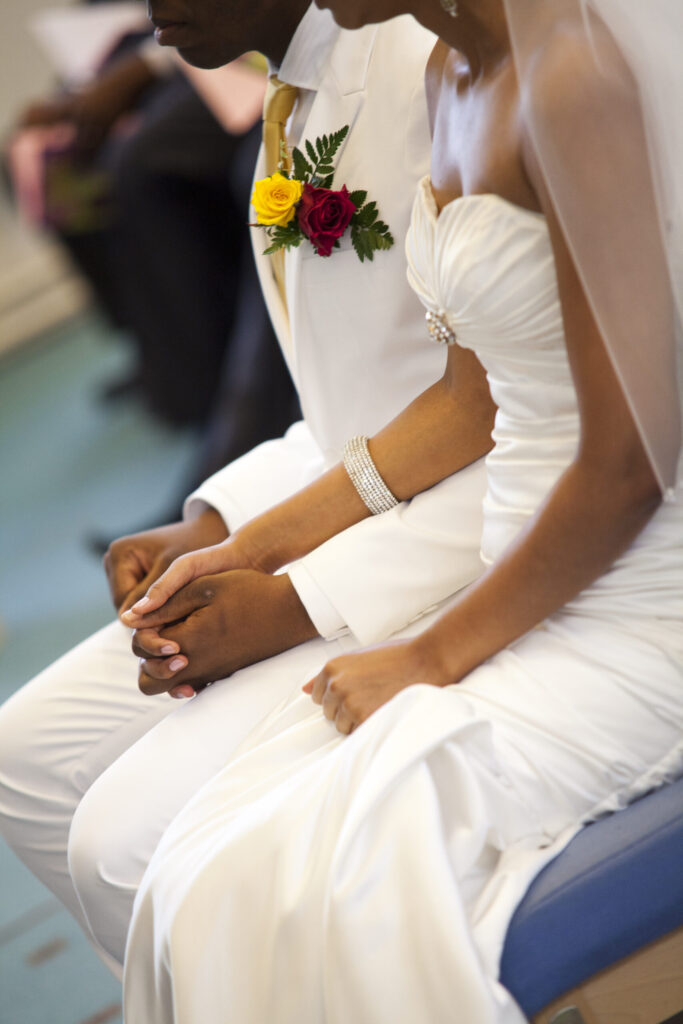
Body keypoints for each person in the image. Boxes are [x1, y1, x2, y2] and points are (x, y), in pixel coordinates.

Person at [120, 0, 683, 1020]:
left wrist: (430, 654)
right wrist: (247, 547)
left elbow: (628, 466)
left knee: (315, 876)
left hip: (640, 599)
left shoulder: (572, 78)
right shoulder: (450, 79)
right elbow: (470, 399)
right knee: (199, 867)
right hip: (524, 591)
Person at [0, 0, 495, 978]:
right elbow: (347, 400)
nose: (145, 13)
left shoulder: (421, 71)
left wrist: (292, 594)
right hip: (342, 505)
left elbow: (507, 410)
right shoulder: (291, 100)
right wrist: (216, 524)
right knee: (24, 757)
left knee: (120, 845)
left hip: (443, 547)